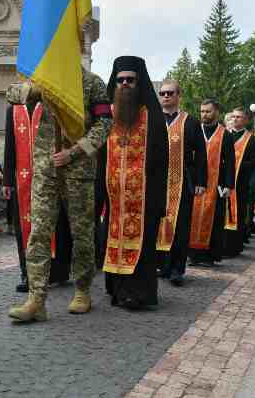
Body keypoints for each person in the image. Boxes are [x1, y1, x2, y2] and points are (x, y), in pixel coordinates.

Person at [7, 68, 112, 322]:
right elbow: (11, 94)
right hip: (46, 169)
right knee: (39, 233)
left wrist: (75, 151)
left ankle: (83, 290)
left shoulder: (92, 83)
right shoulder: (43, 79)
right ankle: (36, 298)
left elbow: (105, 123)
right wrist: (36, 89)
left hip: (78, 170)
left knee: (82, 234)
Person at [97, 56, 168, 309]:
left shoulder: (153, 117)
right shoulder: (107, 117)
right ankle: (117, 291)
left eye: (130, 79)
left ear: (140, 82)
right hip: (114, 202)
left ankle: (139, 294)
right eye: (120, 80)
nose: (125, 84)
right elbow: (98, 159)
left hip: (144, 201)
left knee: (143, 248)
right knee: (112, 242)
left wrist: (160, 202)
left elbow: (162, 164)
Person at [2, 102, 73, 293]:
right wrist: (7, 181)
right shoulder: (14, 110)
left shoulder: (53, 106)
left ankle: (56, 272)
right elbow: (10, 146)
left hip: (51, 177)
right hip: (22, 180)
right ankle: (28, 274)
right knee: (24, 227)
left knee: (54, 224)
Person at [155, 79, 206, 286]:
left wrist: (201, 181)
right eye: (163, 93)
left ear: (178, 95)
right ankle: (162, 266)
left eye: (170, 93)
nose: (166, 96)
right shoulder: (153, 120)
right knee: (159, 223)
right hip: (157, 182)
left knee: (181, 226)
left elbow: (201, 154)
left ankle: (177, 269)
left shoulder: (191, 122)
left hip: (182, 181)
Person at [189, 99, 235, 267]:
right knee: (191, 217)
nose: (204, 115)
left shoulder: (225, 135)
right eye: (202, 111)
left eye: (208, 111)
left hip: (216, 184)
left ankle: (209, 256)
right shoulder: (194, 131)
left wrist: (229, 185)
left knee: (214, 219)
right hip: (194, 183)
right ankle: (192, 255)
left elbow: (230, 161)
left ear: (216, 112)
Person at [224, 108, 255, 257]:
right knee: (223, 214)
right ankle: (221, 246)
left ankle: (234, 247)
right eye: (233, 116)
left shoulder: (250, 139)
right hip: (224, 183)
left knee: (238, 215)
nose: (235, 119)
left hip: (241, 184)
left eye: (239, 117)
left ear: (246, 120)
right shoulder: (225, 135)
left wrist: (252, 184)